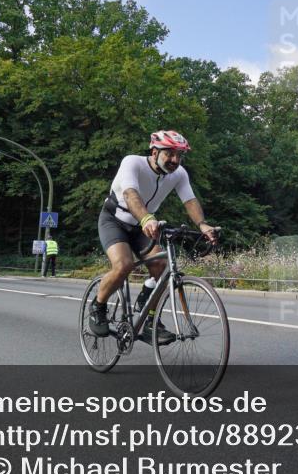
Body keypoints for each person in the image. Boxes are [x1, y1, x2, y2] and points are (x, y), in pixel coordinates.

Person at [91, 130, 218, 345]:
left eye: (179, 155)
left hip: (144, 224)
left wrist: (203, 225)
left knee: (161, 265)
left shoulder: (179, 174)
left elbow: (190, 200)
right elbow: (130, 195)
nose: (175, 160)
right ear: (154, 151)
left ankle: (148, 316)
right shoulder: (132, 163)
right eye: (169, 154)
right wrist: (147, 218)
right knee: (123, 265)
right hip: (115, 220)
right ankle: (98, 307)